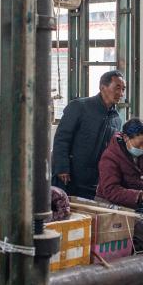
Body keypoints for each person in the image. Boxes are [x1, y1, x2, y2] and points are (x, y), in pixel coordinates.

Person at [51, 70, 125, 199]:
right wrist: (62, 167)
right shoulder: (79, 107)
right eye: (117, 88)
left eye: (123, 89)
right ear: (103, 87)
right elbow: (62, 139)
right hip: (68, 177)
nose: (121, 93)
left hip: (93, 181)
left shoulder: (116, 119)